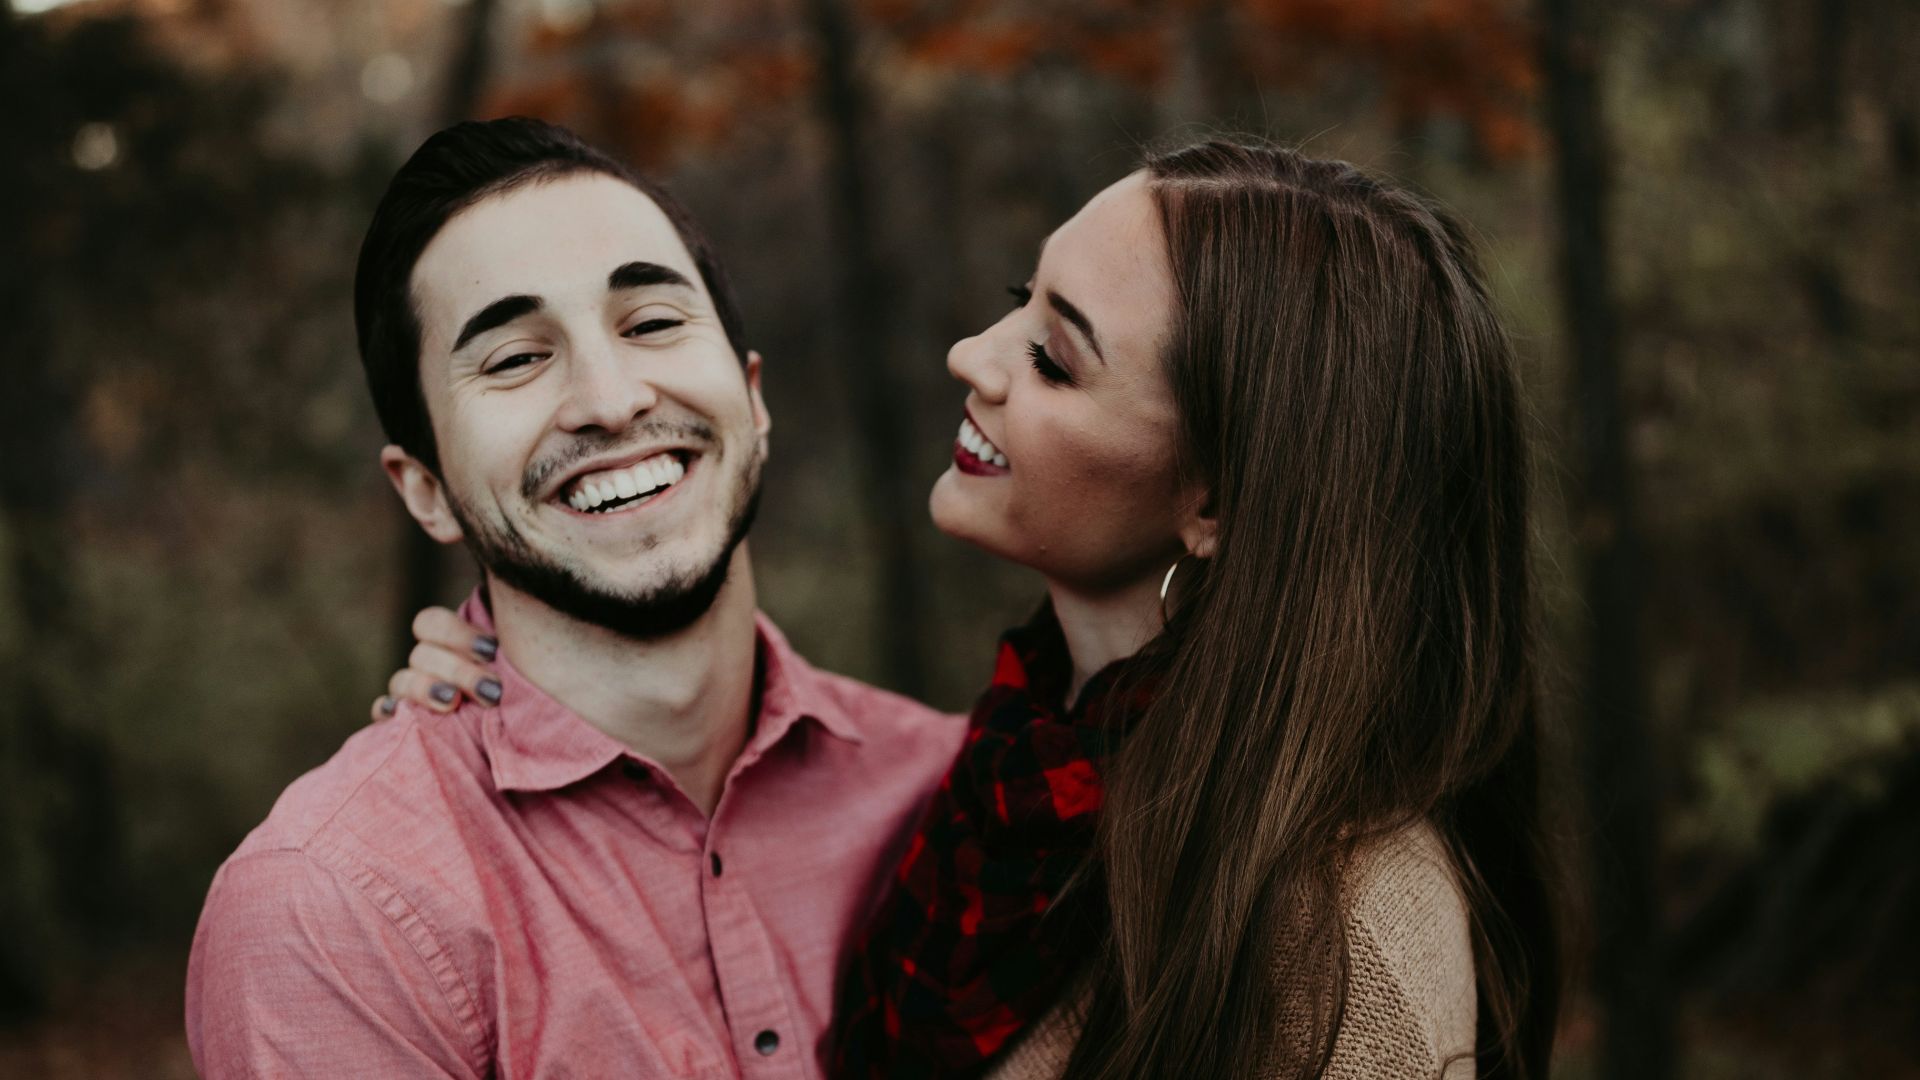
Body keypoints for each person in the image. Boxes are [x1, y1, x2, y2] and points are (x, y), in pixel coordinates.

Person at [389, 140, 1561, 1079]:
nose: (972, 354)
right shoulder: (1008, 782)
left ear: (1216, 502)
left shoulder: (1344, 939)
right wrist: (508, 696)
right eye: (1020, 300)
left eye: (1054, 358)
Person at [184, 117, 967, 1078]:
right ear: (424, 488)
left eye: (651, 323)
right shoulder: (335, 910)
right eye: (515, 358)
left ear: (753, 400)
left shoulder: (954, 798)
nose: (610, 397)